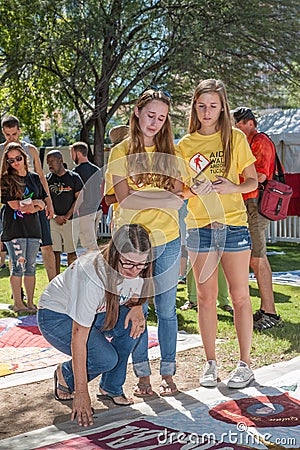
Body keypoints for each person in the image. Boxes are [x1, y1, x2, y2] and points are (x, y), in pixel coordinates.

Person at [178, 79, 258, 389]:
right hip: (199, 228)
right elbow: (181, 191)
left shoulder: (235, 138)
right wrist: (191, 189)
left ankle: (245, 364)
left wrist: (233, 186)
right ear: (194, 107)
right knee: (205, 297)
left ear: (222, 107)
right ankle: (210, 363)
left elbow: (252, 181)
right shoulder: (184, 145)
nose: (207, 111)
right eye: (201, 105)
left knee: (239, 297)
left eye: (213, 105)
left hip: (234, 226)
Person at [106, 88, 184, 396]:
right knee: (136, 309)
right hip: (133, 244)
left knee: (166, 310)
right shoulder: (120, 152)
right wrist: (163, 197)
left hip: (168, 239)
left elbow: (179, 199)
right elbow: (125, 199)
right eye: (150, 115)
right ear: (137, 112)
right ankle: (141, 376)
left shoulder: (172, 154)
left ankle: (168, 371)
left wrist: (149, 198)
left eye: (161, 118)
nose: (155, 122)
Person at [37, 223, 152, 427]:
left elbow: (139, 287)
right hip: (56, 316)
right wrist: (81, 393)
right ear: (115, 254)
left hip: (99, 312)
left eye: (141, 264)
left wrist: (138, 306)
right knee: (105, 358)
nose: (135, 270)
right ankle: (65, 374)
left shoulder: (139, 267)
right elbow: (78, 337)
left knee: (137, 321)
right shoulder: (92, 276)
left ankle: (111, 387)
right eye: (128, 264)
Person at [233, 107, 283, 331]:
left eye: (237, 124)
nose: (234, 128)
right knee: (255, 257)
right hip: (250, 202)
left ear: (249, 123)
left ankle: (270, 312)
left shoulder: (260, 141)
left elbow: (260, 175)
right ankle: (265, 309)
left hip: (256, 202)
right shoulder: (250, 142)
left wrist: (232, 178)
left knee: (258, 257)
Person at [0, 115, 56, 281]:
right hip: (13, 206)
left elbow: (41, 176)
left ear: (20, 131)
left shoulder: (30, 149)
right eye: (8, 135)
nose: (12, 138)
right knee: (15, 249)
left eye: (14, 134)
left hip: (36, 204)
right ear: (3, 133)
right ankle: (19, 293)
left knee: (47, 246)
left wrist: (49, 203)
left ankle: (55, 288)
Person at [0, 143, 47, 313]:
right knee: (18, 266)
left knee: (31, 267)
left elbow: (42, 203)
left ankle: (30, 303)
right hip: (14, 230)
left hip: (33, 229)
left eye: (18, 158)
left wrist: (33, 205)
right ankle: (18, 303)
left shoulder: (34, 178)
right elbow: (15, 205)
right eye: (11, 160)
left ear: (24, 158)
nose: (15, 163)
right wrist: (34, 203)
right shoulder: (6, 180)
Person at [46, 150, 83, 275]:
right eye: (48, 162)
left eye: (52, 161)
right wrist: (56, 216)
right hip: (53, 220)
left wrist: (67, 216)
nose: (49, 165)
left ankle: (71, 279)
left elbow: (80, 199)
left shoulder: (74, 177)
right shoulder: (47, 180)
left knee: (71, 252)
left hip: (71, 220)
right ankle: (56, 282)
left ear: (60, 160)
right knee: (54, 252)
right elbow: (44, 201)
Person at [70, 141, 103, 250]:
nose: (71, 157)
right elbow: (101, 189)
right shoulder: (97, 169)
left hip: (86, 212)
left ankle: (97, 266)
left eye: (72, 154)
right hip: (98, 210)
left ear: (78, 154)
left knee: (90, 246)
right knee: (93, 242)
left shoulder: (76, 172)